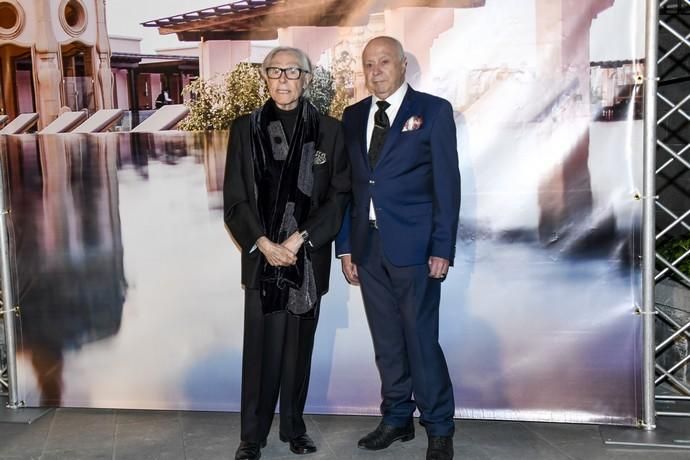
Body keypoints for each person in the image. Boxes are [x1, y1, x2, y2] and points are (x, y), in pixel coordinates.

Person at [335, 36, 460, 460]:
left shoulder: (434, 111)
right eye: (369, 64)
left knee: (421, 340)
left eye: (384, 62)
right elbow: (351, 188)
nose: (375, 71)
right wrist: (346, 246)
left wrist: (442, 247)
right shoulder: (352, 117)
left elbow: (447, 186)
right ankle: (396, 419)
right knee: (387, 341)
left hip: (417, 249)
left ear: (403, 65)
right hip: (368, 249)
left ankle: (439, 427)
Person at [224, 46, 350, 460]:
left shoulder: (330, 132)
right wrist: (263, 242)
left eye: (292, 72)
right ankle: (252, 436)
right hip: (262, 259)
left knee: (299, 352)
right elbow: (236, 198)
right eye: (274, 71)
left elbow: (338, 196)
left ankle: (294, 427)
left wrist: (298, 240)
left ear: (307, 79)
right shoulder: (244, 129)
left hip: (305, 260)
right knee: (260, 352)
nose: (282, 79)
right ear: (264, 77)